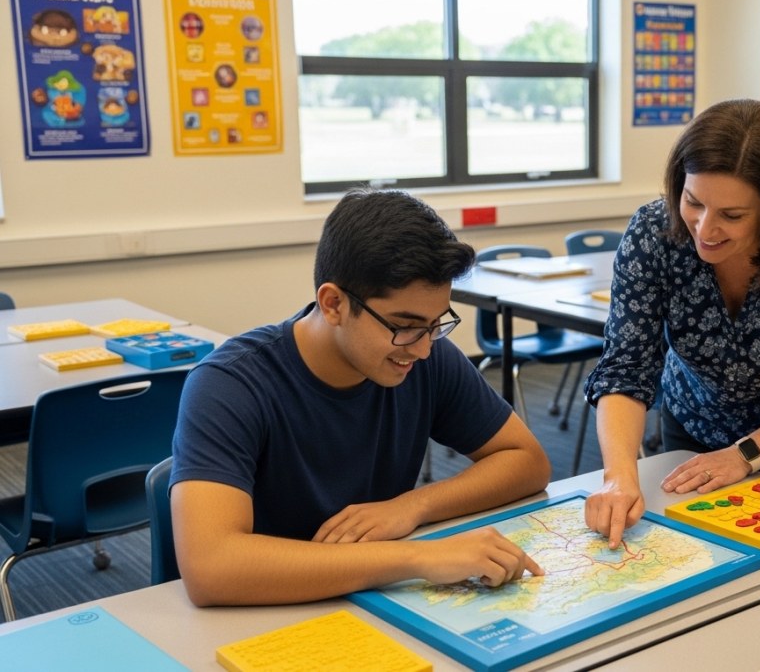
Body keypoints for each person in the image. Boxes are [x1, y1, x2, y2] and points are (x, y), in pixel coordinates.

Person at [171, 188, 552, 606]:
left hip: (371, 602)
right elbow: (211, 567)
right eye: (403, 325)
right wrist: (414, 557)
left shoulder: (425, 355)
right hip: (264, 610)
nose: (423, 348)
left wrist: (412, 507)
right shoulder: (230, 384)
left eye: (435, 324)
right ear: (333, 304)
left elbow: (527, 461)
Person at [583, 99, 760, 547]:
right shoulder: (652, 234)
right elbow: (627, 366)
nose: (705, 229)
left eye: (732, 216)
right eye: (693, 202)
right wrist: (619, 476)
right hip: (695, 430)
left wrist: (746, 455)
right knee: (692, 560)